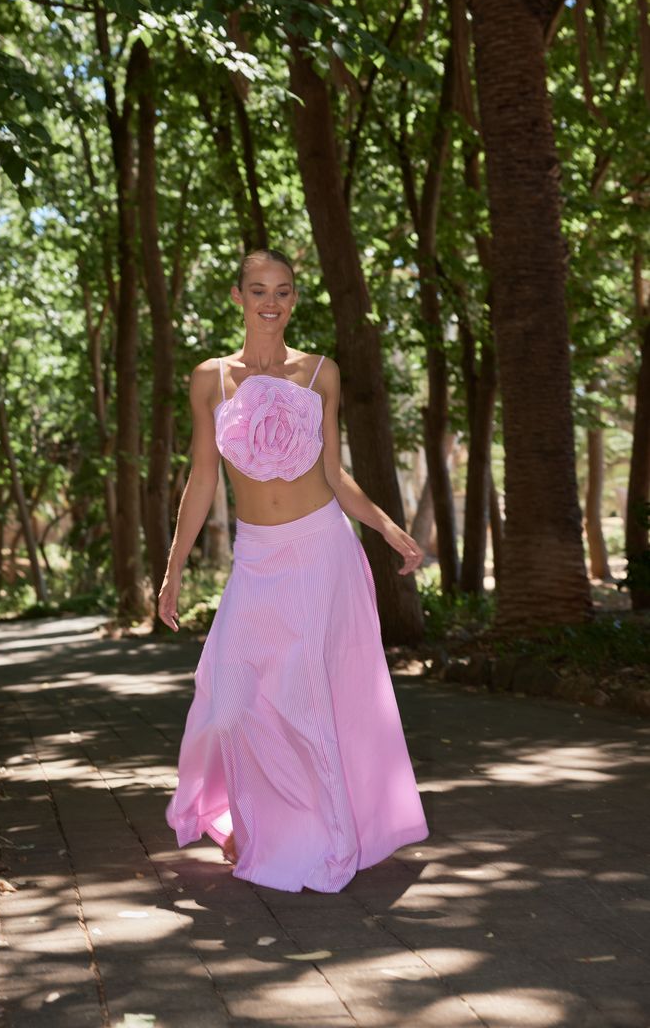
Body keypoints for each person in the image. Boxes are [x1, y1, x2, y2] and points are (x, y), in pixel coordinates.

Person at [158, 248, 429, 893]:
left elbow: (334, 475)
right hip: (255, 555)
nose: (270, 303)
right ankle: (254, 823)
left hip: (318, 551)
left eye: (282, 291)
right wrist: (172, 572)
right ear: (237, 298)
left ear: (294, 299)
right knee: (232, 702)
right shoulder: (208, 379)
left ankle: (323, 838)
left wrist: (390, 530)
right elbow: (201, 481)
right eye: (258, 291)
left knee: (305, 701)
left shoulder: (320, 374)